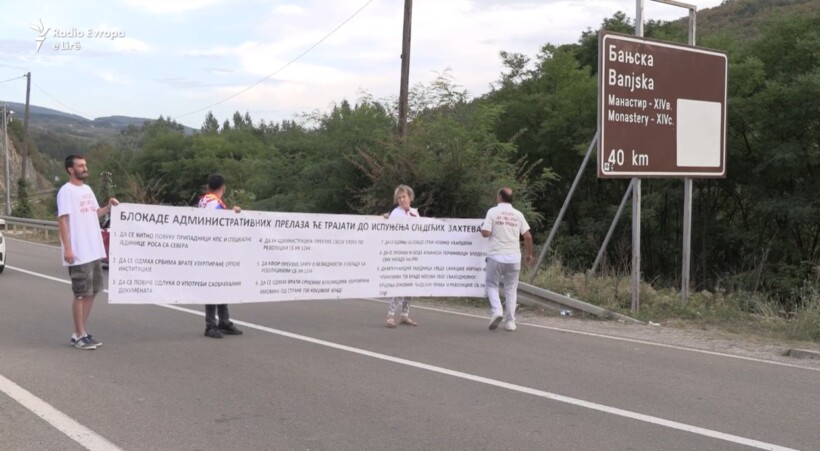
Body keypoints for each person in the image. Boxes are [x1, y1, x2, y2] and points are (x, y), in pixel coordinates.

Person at [57, 155, 119, 350]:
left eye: (85, 165)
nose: (85, 168)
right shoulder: (66, 192)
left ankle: (79, 333)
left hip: (93, 250)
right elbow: (63, 221)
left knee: (92, 292)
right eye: (80, 165)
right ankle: (79, 334)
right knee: (81, 293)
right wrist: (68, 248)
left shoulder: (87, 189)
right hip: (78, 251)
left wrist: (109, 207)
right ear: (70, 169)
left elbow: (94, 213)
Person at [480, 187, 533, 332]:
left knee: (491, 285)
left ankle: (497, 311)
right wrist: (529, 254)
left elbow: (486, 233)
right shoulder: (518, 214)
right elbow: (527, 236)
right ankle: (510, 322)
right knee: (511, 289)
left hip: (496, 256)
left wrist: (481, 229)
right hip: (514, 258)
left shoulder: (493, 212)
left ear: (499, 197)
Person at [198, 174, 244, 339]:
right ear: (223, 188)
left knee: (220, 285)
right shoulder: (214, 203)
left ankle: (223, 321)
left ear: (208, 187)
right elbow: (221, 225)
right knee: (213, 286)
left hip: (210, 249)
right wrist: (234, 214)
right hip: (213, 250)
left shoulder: (203, 201)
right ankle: (211, 324)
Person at [384, 184, 420, 328]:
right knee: (399, 284)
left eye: (404, 197)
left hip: (413, 252)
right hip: (400, 253)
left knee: (410, 285)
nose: (402, 200)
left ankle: (405, 314)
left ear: (409, 197)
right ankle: (390, 314)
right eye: (399, 198)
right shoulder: (396, 214)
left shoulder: (415, 213)